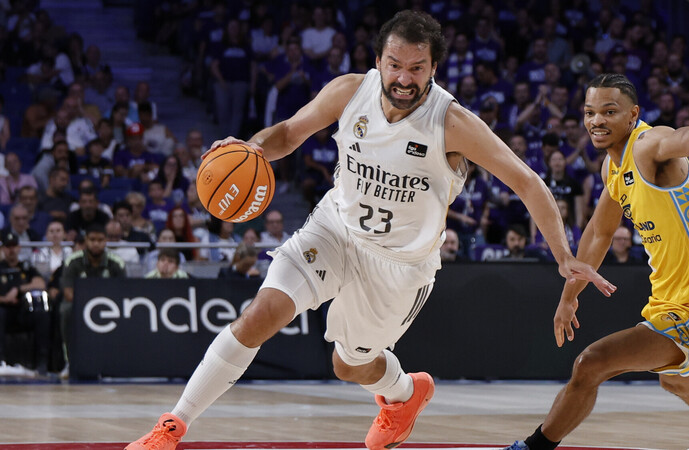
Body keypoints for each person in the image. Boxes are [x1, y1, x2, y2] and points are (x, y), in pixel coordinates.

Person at [126, 11, 613, 450]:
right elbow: (290, 133)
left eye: (416, 68)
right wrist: (251, 148)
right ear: (378, 60)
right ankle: (172, 426)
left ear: (433, 69)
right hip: (335, 228)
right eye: (395, 64)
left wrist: (561, 253)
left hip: (400, 266)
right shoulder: (349, 91)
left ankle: (404, 393)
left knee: (348, 365)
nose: (403, 77)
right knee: (260, 315)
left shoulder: (453, 123)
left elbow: (527, 182)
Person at [504, 73, 689, 450]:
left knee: (590, 363)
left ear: (633, 115)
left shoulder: (646, 144)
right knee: (676, 379)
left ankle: (534, 448)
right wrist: (568, 297)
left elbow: (678, 136)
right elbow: (598, 234)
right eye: (590, 112)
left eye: (609, 112)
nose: (597, 120)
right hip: (669, 301)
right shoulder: (613, 168)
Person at [60, 224, 126, 372]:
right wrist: (90, 307)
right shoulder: (73, 261)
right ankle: (69, 362)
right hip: (78, 305)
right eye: (92, 239)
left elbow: (123, 292)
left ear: (106, 241)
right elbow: (68, 292)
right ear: (86, 240)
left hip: (110, 307)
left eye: (100, 240)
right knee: (66, 311)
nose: (96, 243)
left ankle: (116, 362)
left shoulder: (116, 262)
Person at [0, 231, 49, 375]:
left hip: (22, 311)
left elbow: (40, 283)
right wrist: (5, 299)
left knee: (42, 314)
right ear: (2, 249)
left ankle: (42, 362)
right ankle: (1, 361)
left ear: (19, 248)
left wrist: (18, 289)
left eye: (14, 246)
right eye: (7, 246)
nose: (11, 250)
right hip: (3, 311)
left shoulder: (26, 267)